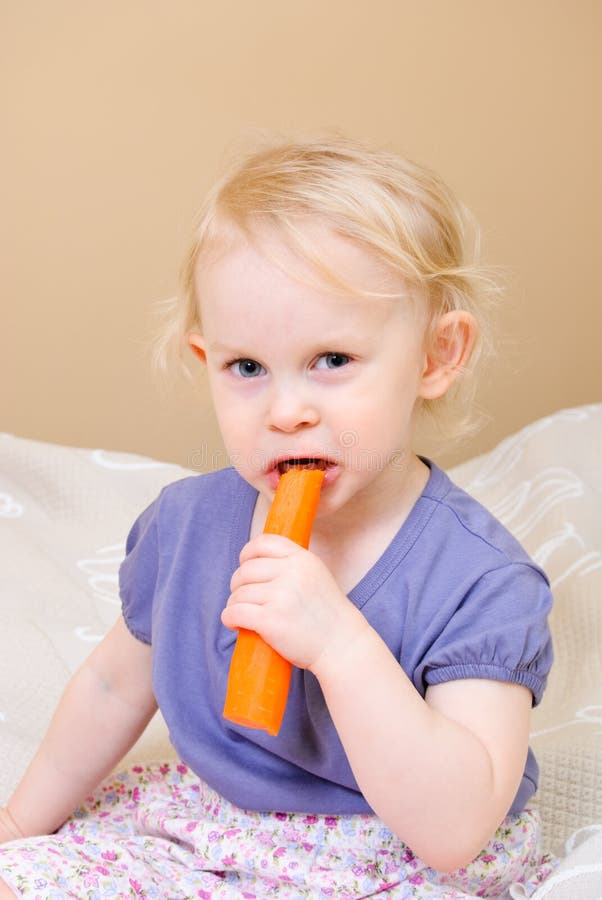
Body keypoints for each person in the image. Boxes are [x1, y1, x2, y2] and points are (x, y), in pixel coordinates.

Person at [0, 135, 556, 898]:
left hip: (396, 854)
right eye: (248, 368)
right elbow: (110, 688)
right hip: (223, 820)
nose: (287, 411)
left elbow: (455, 832)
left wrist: (339, 644)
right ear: (206, 363)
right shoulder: (188, 526)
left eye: (332, 360)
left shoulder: (483, 584)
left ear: (435, 357)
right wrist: (20, 822)